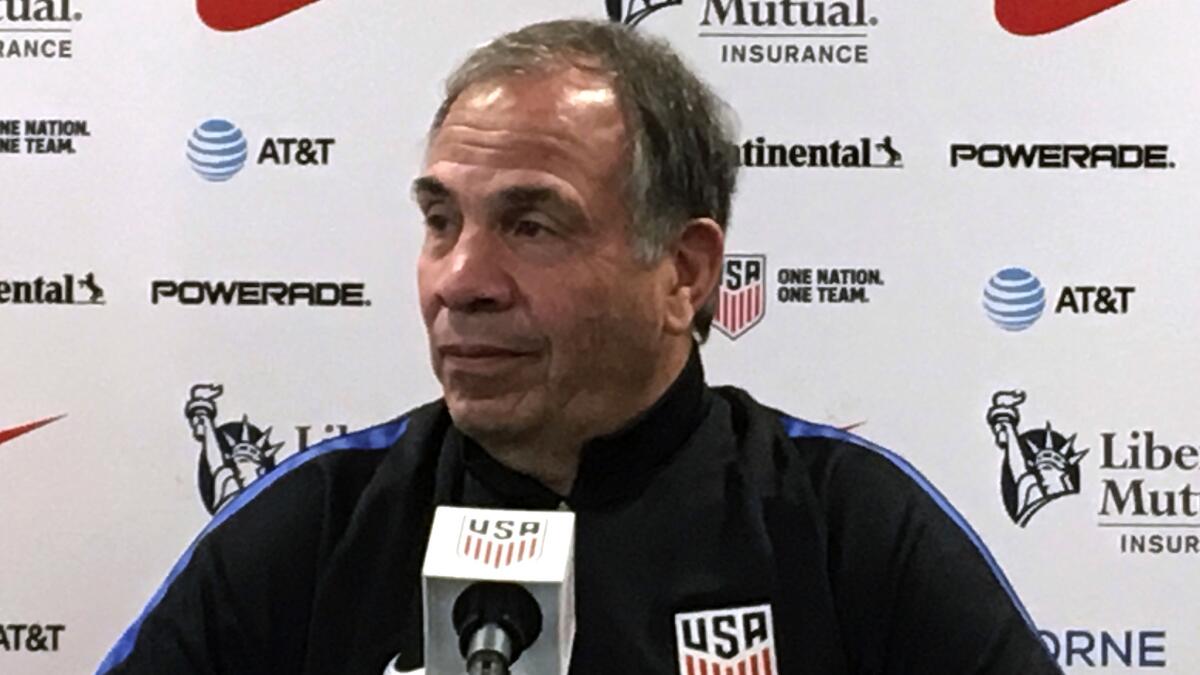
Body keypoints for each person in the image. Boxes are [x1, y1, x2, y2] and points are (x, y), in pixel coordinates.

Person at [98, 19, 1061, 675]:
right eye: (441, 221)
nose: (459, 279)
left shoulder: (848, 525)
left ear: (684, 272)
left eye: (532, 225)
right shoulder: (318, 525)